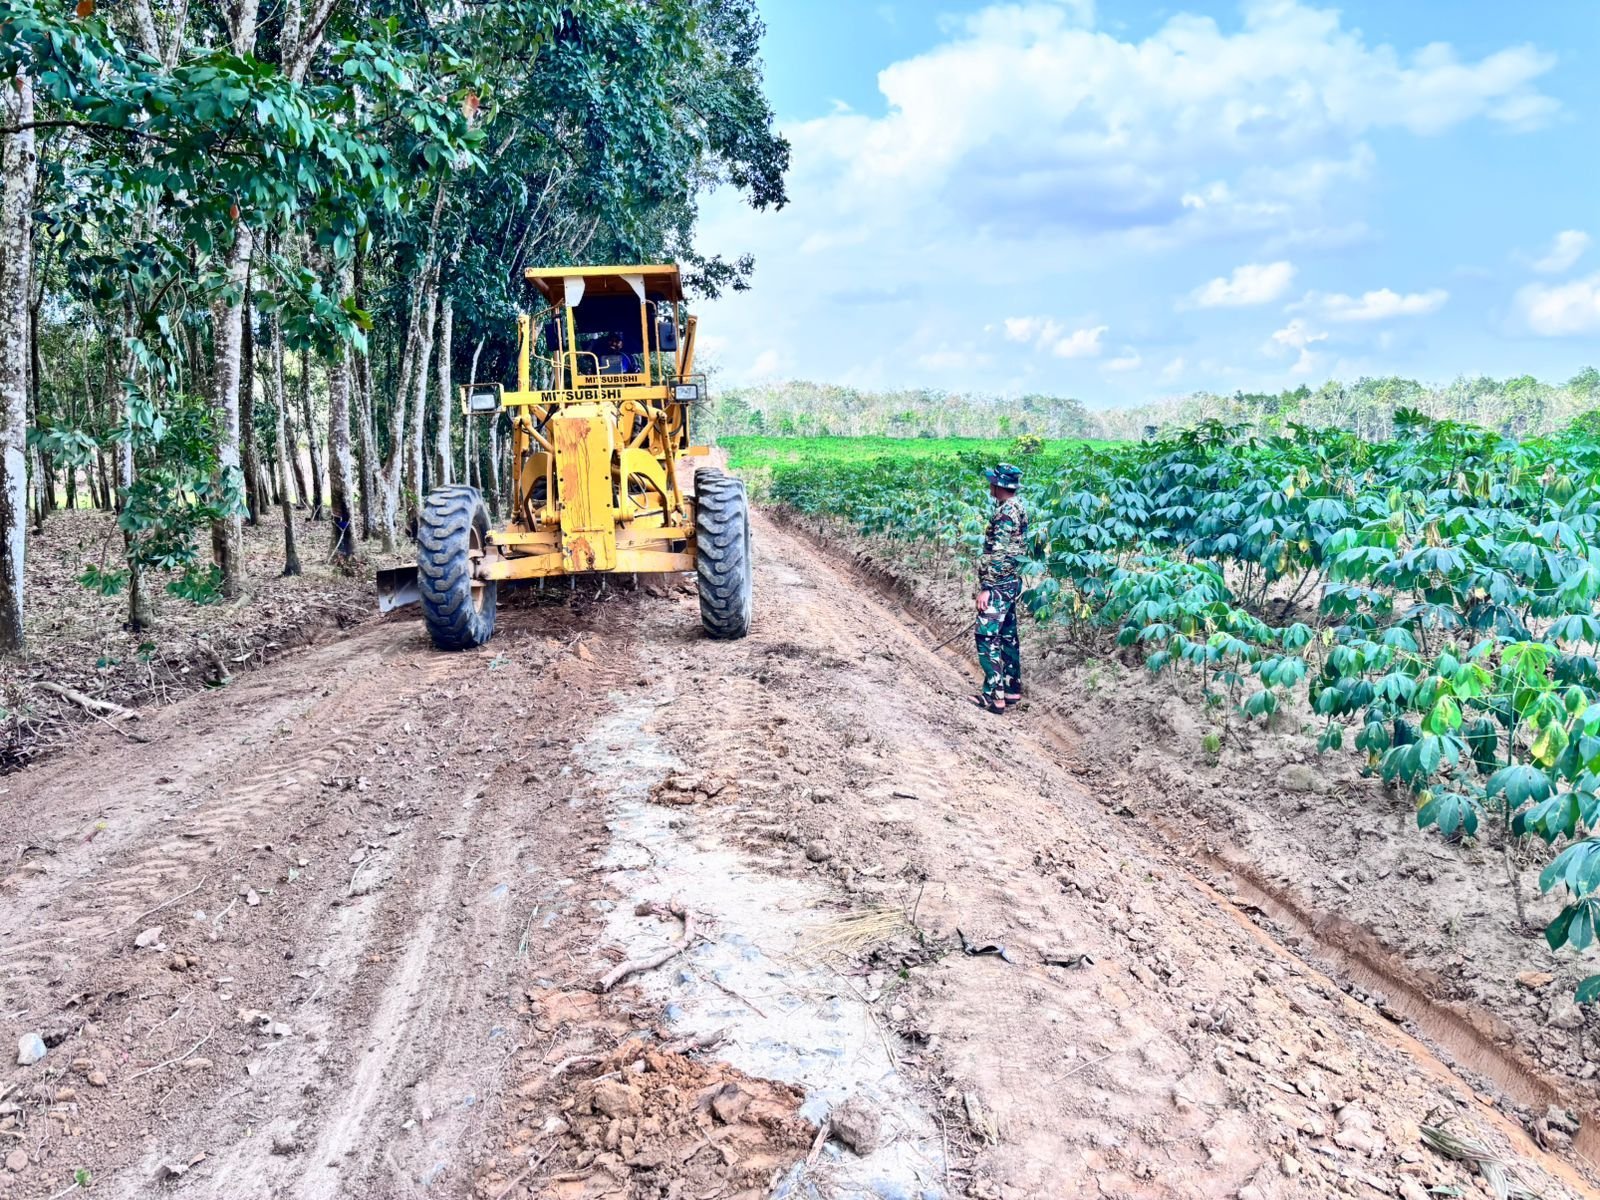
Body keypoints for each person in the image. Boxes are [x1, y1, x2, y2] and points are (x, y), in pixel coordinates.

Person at [971, 462, 1027, 714]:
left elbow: (999, 551)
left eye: (992, 481)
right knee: (1007, 636)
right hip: (1011, 581)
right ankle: (1011, 690)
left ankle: (994, 697)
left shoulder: (1005, 514)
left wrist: (987, 587)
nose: (989, 485)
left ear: (999, 485)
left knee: (986, 636)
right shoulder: (1017, 507)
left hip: (999, 584)